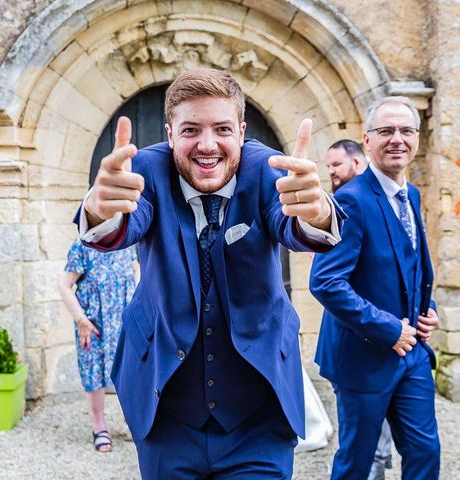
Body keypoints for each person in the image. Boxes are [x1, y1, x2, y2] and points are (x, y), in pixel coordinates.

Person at [75, 68, 343, 479]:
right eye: (190, 130)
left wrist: (317, 211)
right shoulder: (145, 169)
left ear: (241, 130)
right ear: (169, 134)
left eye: (221, 128)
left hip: (258, 413)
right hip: (165, 408)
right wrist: (100, 208)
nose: (206, 144)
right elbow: (121, 225)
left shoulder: (268, 169)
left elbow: (295, 224)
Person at [310, 96, 441, 480]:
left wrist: (426, 308)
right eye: (386, 131)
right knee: (360, 461)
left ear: (416, 138)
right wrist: (389, 328)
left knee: (425, 452)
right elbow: (325, 281)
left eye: (405, 130)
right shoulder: (351, 199)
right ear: (367, 142)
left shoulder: (411, 194)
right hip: (362, 355)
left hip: (412, 353)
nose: (396, 139)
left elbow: (408, 264)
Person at [325, 139, 394, 480]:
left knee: (377, 441)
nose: (331, 173)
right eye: (328, 167)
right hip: (355, 340)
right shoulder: (342, 203)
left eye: (336, 165)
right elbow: (327, 280)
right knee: (363, 447)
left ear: (357, 162)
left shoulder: (388, 199)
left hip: (393, 338)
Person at [58, 238, 139, 452]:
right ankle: (99, 427)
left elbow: (136, 273)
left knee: (132, 373)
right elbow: (64, 286)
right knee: (94, 372)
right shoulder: (82, 245)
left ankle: (134, 423)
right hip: (93, 324)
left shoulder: (127, 241)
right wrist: (80, 320)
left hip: (124, 322)